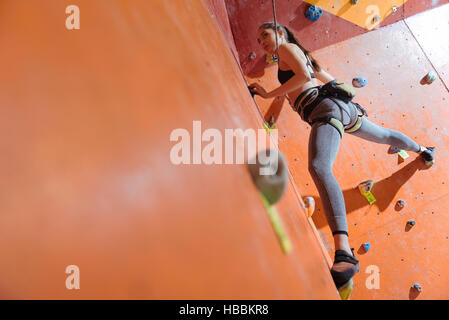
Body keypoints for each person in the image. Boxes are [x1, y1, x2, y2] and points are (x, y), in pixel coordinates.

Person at [249, 22, 435, 290]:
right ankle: (424, 150)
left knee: (319, 167)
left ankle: (344, 254)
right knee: (383, 135)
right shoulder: (299, 53)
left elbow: (302, 76)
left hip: (325, 109)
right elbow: (326, 78)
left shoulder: (287, 48)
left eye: (265, 35)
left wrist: (267, 93)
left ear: (281, 33)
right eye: (258, 39)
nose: (262, 42)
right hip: (339, 108)